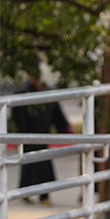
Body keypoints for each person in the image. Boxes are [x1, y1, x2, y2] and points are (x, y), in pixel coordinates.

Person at [11, 74, 71, 205]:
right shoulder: (23, 93)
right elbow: (16, 117)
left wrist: (64, 128)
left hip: (42, 134)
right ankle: (27, 193)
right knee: (29, 164)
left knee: (43, 165)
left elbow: (56, 113)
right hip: (27, 135)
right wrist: (16, 134)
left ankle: (44, 195)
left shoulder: (47, 93)